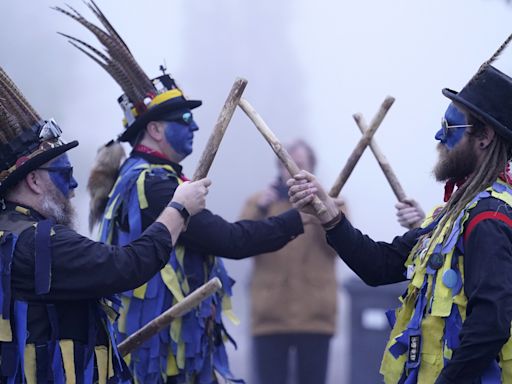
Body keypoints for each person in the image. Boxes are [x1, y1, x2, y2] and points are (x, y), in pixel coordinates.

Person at [56, 3, 305, 383]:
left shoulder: (141, 176)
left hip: (158, 345)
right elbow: (230, 240)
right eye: (183, 119)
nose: (194, 126)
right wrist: (300, 216)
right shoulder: (154, 185)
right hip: (160, 351)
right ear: (154, 130)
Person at [288, 37, 512, 383]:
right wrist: (327, 213)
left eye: (451, 127)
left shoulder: (490, 219)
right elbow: (380, 266)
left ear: (484, 137)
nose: (439, 135)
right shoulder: (450, 217)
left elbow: (490, 324)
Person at [0, 64, 210, 382]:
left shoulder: (10, 233)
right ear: (33, 180)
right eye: (65, 174)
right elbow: (127, 266)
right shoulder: (43, 242)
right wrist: (179, 209)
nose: (73, 187)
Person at [239, 139, 339, 384]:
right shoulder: (258, 202)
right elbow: (240, 243)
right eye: (287, 164)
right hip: (269, 315)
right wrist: (261, 210)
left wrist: (320, 210)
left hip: (315, 317)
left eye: (301, 164)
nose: (293, 170)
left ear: (312, 168)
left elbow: (338, 248)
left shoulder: (333, 202)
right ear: (279, 168)